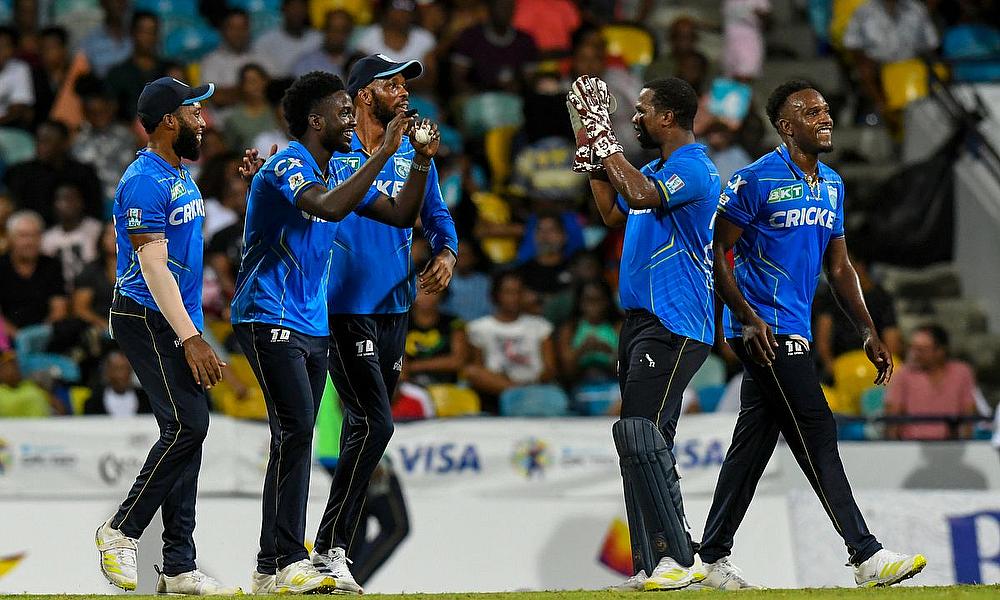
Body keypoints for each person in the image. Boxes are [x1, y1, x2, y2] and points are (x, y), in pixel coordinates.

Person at [700, 79, 925, 589]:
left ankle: (710, 556)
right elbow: (718, 255)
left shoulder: (833, 185)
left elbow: (840, 267)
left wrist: (867, 329)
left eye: (825, 109)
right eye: (810, 112)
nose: (824, 118)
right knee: (816, 427)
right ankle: (865, 553)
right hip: (766, 329)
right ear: (785, 126)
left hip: (793, 324)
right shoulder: (753, 181)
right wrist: (743, 316)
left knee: (753, 445)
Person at [232, 69, 435, 594]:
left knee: (294, 434)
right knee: (297, 431)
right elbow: (327, 206)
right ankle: (286, 558)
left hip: (311, 322)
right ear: (316, 120)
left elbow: (401, 213)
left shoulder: (329, 167)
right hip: (267, 313)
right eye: (344, 113)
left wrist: (418, 160)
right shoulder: (291, 164)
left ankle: (270, 564)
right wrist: (383, 153)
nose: (352, 120)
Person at [94, 76, 241, 595]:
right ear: (169, 121)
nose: (205, 120)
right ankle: (120, 531)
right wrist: (190, 337)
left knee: (188, 436)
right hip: (143, 316)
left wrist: (194, 329)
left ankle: (178, 565)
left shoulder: (181, 175)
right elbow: (153, 266)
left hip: (176, 319)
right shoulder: (142, 180)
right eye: (195, 110)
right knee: (188, 426)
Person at [571, 75, 718, 590]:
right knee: (645, 442)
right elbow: (613, 210)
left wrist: (605, 137)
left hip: (676, 323)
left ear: (668, 117)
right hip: (639, 323)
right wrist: (592, 158)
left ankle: (681, 557)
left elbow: (637, 194)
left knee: (636, 432)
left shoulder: (694, 168)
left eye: (643, 109)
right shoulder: (654, 167)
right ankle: (650, 564)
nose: (635, 117)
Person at [313, 54, 454, 589]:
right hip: (344, 310)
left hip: (395, 311)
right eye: (391, 83)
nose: (403, 90)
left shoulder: (417, 155)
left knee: (363, 427)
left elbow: (436, 217)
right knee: (375, 423)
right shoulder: (334, 154)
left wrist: (446, 254)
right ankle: (331, 546)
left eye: (405, 83)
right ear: (363, 95)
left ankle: (329, 557)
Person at [465, 270, 558, 413]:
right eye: (508, 292)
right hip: (496, 390)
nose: (514, 298)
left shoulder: (540, 326)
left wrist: (534, 381)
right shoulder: (479, 327)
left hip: (535, 387)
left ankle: (522, 393)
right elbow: (478, 368)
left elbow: (550, 368)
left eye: (518, 292)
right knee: (471, 372)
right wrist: (507, 384)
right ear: (496, 295)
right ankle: (518, 392)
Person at [885, 324, 981, 440]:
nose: (914, 354)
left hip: (951, 445)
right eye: (912, 348)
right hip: (911, 445)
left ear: (940, 351)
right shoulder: (902, 375)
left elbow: (968, 412)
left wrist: (965, 444)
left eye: (921, 350)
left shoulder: (962, 373)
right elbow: (893, 417)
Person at [4, 120, 104, 224]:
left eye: (47, 141)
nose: (41, 146)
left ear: (64, 143)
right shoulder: (20, 172)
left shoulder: (83, 173)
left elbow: (94, 210)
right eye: (39, 140)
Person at [0, 210, 68, 336]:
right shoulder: (2, 266)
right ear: (10, 238)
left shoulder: (52, 265)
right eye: (23, 236)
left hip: (44, 335)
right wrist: (19, 337)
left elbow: (59, 309)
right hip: (6, 338)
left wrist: (38, 336)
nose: (30, 242)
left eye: (35, 235)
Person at [105, 12, 169, 122]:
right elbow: (110, 111)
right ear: (132, 33)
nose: (148, 37)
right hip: (127, 134)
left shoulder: (169, 70)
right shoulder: (117, 74)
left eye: (152, 32)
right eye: (143, 31)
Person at [403, 289, 469, 387]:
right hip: (409, 386)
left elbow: (458, 361)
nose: (426, 295)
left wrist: (414, 366)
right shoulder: (400, 323)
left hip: (447, 385)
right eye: (420, 290)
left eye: (432, 290)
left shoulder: (454, 322)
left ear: (442, 293)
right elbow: (399, 365)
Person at [41, 183, 103, 286]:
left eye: (72, 199)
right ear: (54, 205)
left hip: (91, 288)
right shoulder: (47, 238)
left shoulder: (96, 230)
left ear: (81, 202)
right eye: (63, 199)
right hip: (59, 289)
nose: (68, 204)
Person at [199, 9, 256, 107]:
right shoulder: (210, 61)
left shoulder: (263, 58)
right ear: (222, 30)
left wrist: (231, 92)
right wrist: (252, 90)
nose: (238, 33)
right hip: (223, 121)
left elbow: (273, 92)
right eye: (232, 28)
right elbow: (216, 97)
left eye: (242, 27)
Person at [252, 0, 321, 78]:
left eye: (301, 8)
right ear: (283, 10)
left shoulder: (318, 39)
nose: (297, 12)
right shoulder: (265, 42)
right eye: (293, 8)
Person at [293, 9, 362, 79]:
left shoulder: (359, 62)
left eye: (343, 30)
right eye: (333, 29)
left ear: (350, 32)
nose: (337, 35)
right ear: (324, 30)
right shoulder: (306, 63)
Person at [84, 350, 152, 416]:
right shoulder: (93, 402)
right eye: (118, 369)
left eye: (127, 369)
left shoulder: (146, 399)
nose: (123, 374)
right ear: (107, 372)